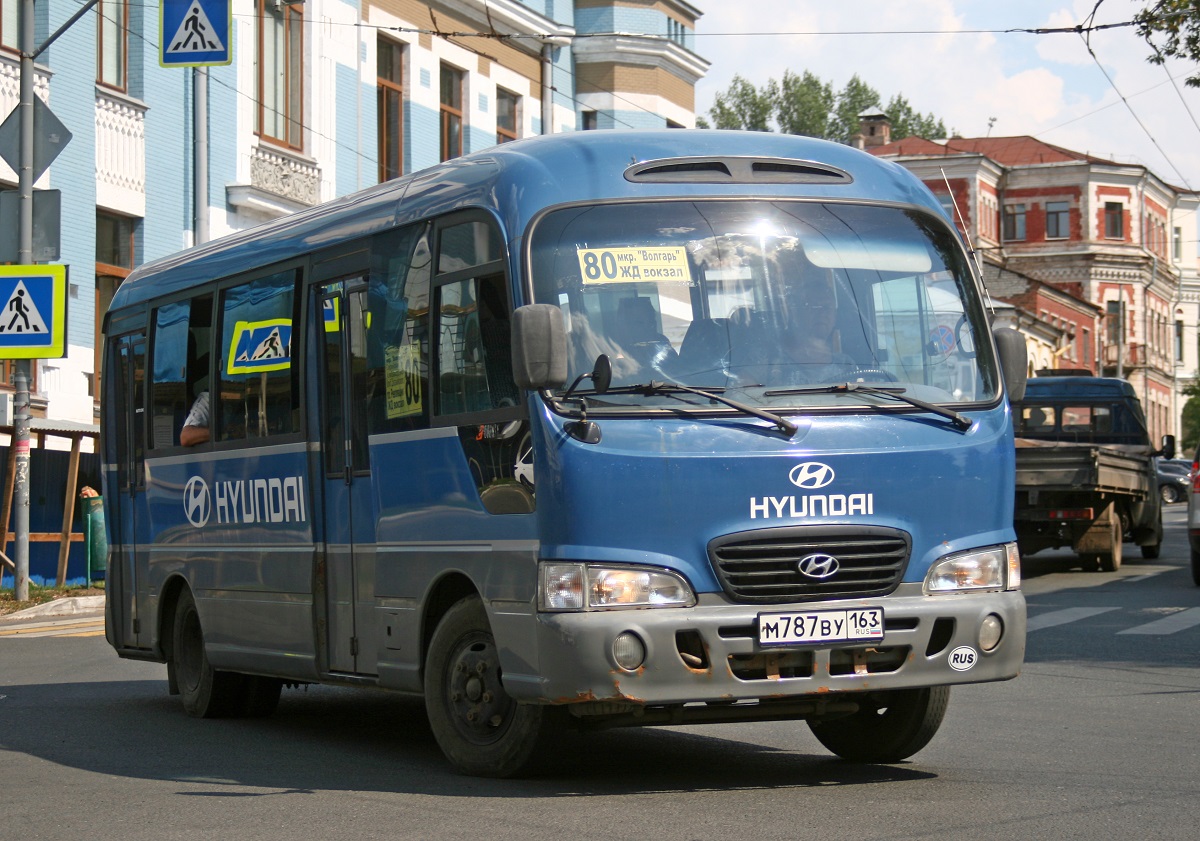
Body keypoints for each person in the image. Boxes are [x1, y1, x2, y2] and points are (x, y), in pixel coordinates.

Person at [774, 275, 856, 384]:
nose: (822, 314)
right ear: (797, 314)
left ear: (835, 316)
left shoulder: (846, 365)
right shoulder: (773, 360)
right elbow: (748, 394)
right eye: (814, 307)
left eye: (827, 308)